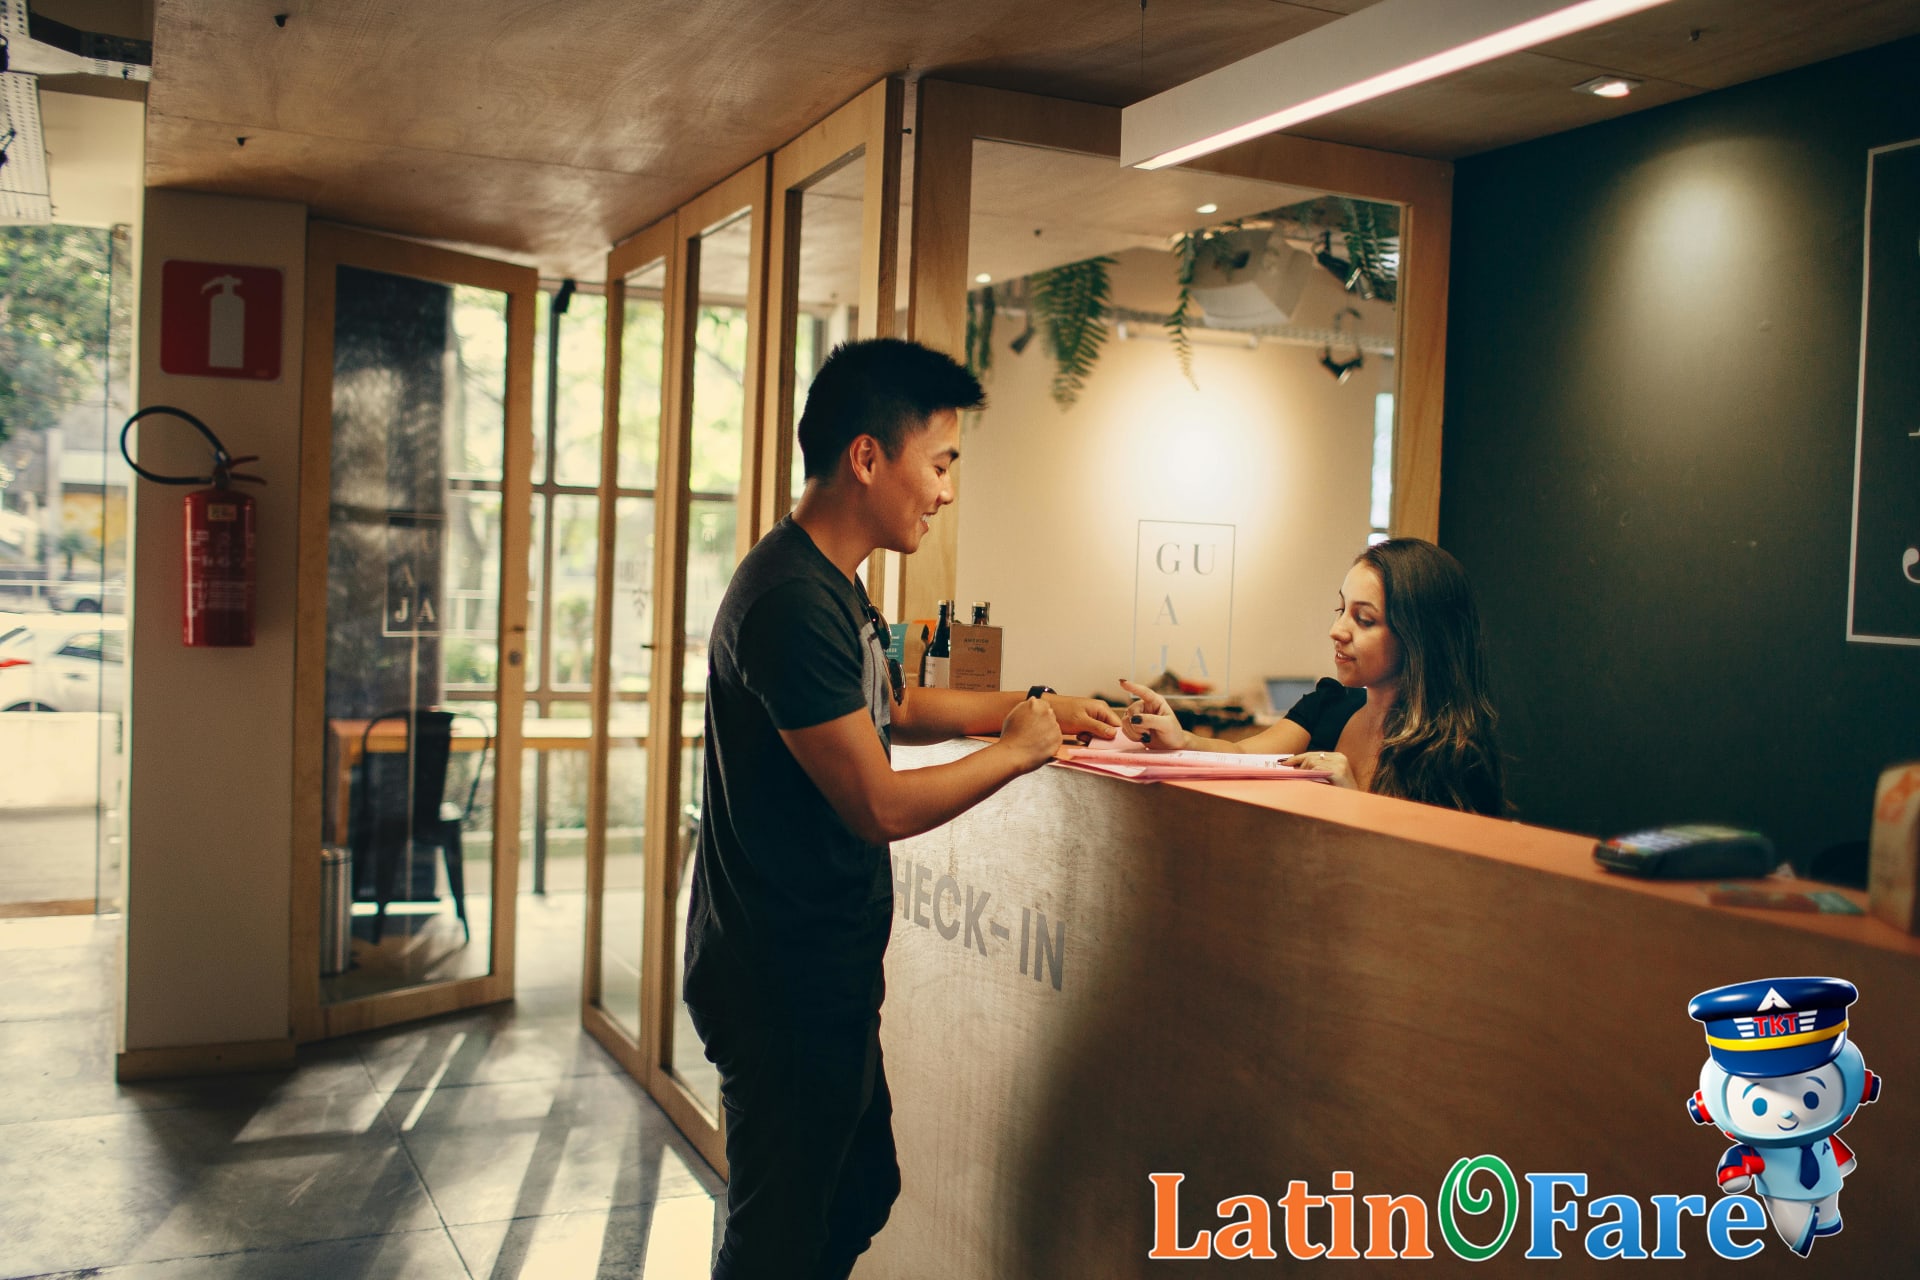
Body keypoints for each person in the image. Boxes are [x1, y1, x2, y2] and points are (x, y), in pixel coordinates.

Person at [683, 337, 1121, 1280]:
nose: (947, 489)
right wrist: (1016, 753)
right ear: (868, 457)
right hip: (780, 979)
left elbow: (901, 707)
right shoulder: (790, 601)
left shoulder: (833, 586)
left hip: (820, 969)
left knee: (857, 1191)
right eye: (941, 462)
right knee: (778, 1243)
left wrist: (1033, 706)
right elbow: (875, 804)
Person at [1119, 537, 1506, 816]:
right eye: (1340, 610)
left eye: (1364, 619)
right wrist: (1179, 738)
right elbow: (1241, 756)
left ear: (1419, 637)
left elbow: (1433, 879)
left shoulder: (1454, 753)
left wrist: (1353, 799)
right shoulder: (1330, 704)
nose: (1338, 630)